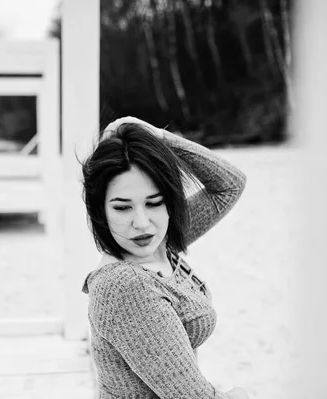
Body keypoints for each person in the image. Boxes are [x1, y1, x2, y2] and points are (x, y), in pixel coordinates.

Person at [81, 116, 249, 399]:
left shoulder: (159, 243)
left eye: (154, 203)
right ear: (101, 211)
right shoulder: (126, 285)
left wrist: (157, 136)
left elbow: (229, 185)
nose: (142, 223)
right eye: (122, 208)